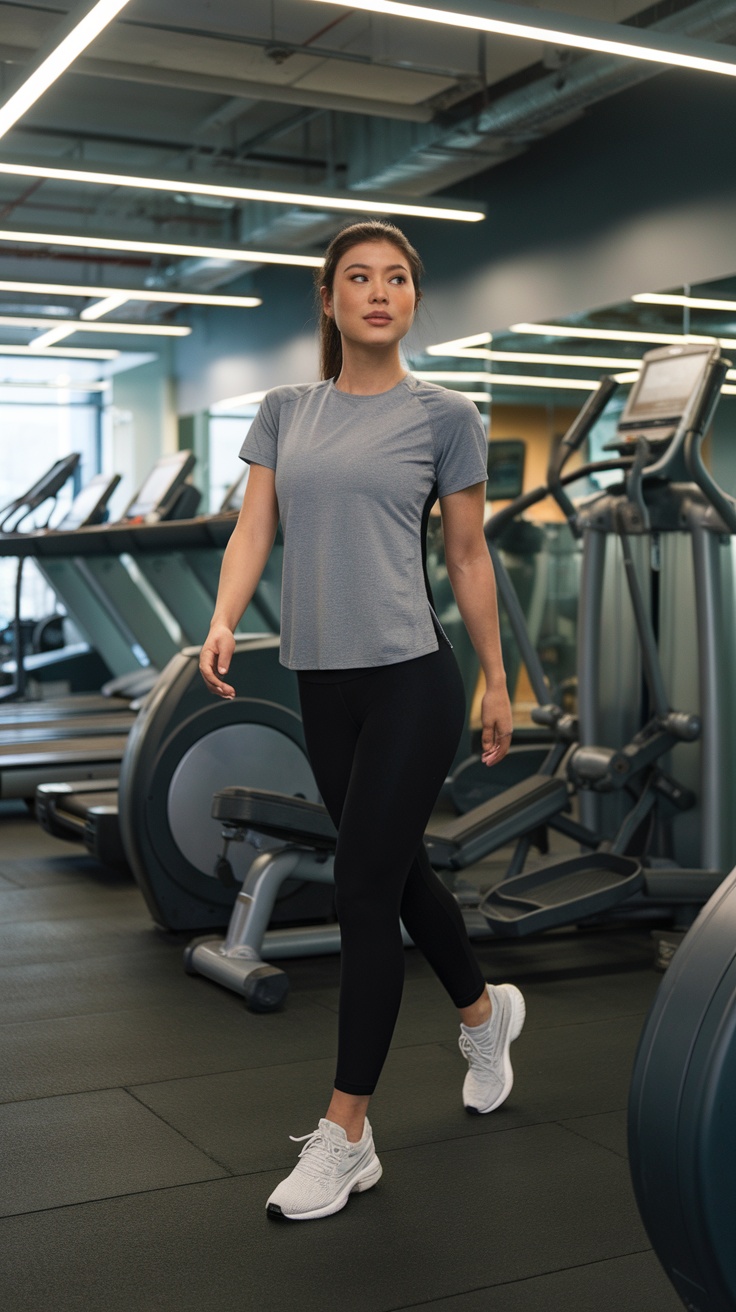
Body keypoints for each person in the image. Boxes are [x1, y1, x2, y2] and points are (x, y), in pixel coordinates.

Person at [199, 220, 524, 1222]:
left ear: (411, 302)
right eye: (358, 278)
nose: (378, 291)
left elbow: (467, 556)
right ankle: (484, 1013)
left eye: (396, 278)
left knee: (360, 883)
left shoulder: (445, 415)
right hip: (321, 682)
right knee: (397, 869)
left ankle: (346, 1132)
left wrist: (496, 679)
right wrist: (219, 614)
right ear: (331, 300)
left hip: (410, 678)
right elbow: (257, 523)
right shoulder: (285, 409)